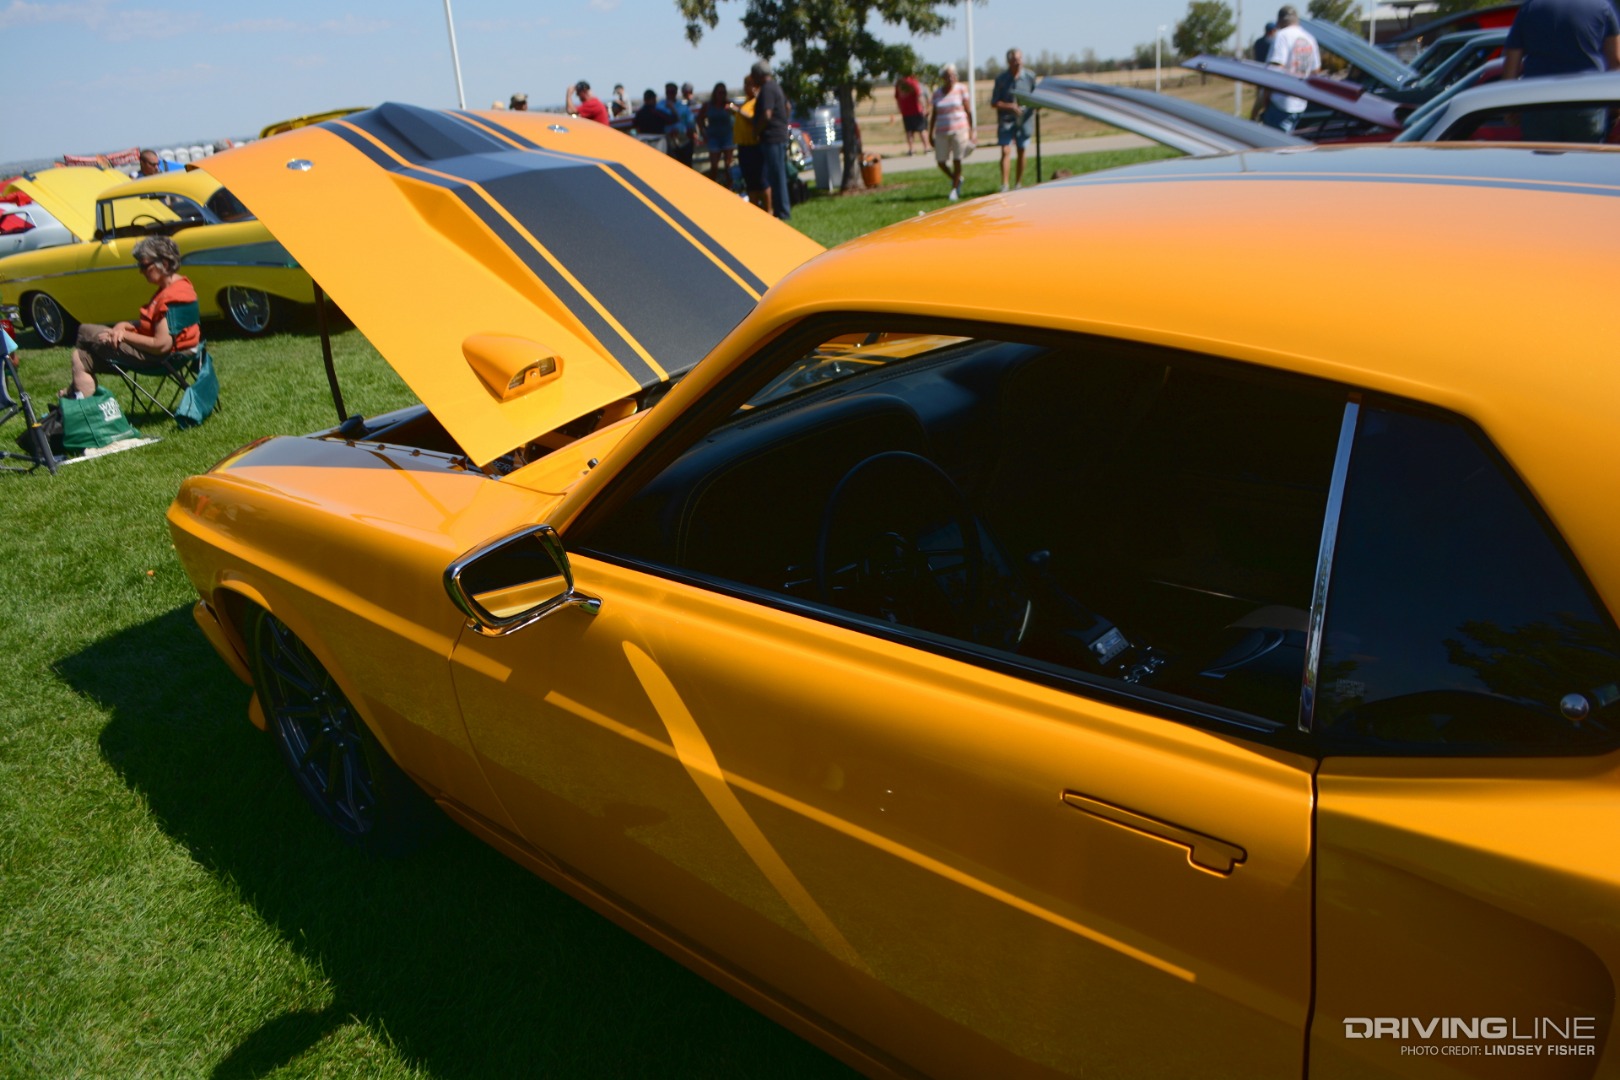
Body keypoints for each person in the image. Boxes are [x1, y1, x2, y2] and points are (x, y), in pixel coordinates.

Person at [61, 236, 198, 399]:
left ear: (165, 264)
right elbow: (155, 325)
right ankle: (76, 394)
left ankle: (75, 396)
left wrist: (124, 335)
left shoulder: (171, 297)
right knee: (80, 356)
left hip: (161, 358)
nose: (140, 271)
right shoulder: (181, 286)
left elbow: (161, 345)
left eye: (144, 265)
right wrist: (124, 326)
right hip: (176, 354)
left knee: (85, 331)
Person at [1502, 0, 1620, 141]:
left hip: (1538, 103)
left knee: (1541, 162)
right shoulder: (1601, 6)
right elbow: (1616, 61)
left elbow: (1511, 64)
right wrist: (1615, 108)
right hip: (1586, 102)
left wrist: (1510, 107)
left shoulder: (1530, 7)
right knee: (1586, 160)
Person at [1261, 5, 1321, 133]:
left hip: (1281, 102)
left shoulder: (1281, 36)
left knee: (1275, 148)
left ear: (1279, 21)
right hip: (1300, 103)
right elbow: (1315, 71)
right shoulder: (1309, 38)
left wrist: (1265, 98)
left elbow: (1275, 70)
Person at [991, 48, 1036, 192]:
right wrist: (1010, 106)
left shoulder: (1030, 77)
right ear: (1009, 62)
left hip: (1024, 121)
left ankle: (1018, 183)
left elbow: (1036, 97)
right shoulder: (1001, 79)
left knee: (1022, 149)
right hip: (1006, 121)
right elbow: (994, 102)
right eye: (1014, 60)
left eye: (1020, 59)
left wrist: (1029, 106)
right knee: (1005, 150)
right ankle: (1005, 184)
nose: (1018, 62)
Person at [753, 60, 792, 219]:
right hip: (779, 135)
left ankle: (782, 212)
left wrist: (757, 130)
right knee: (778, 174)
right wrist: (783, 123)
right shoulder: (776, 86)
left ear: (759, 75)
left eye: (754, 75)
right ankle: (781, 210)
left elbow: (767, 114)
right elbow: (787, 106)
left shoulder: (767, 89)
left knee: (777, 176)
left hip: (772, 138)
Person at [929, 63, 974, 201]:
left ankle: (954, 190)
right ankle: (956, 179)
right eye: (948, 75)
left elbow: (968, 110)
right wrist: (930, 133)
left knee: (957, 160)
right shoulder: (937, 93)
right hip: (942, 131)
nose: (951, 78)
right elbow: (934, 115)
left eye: (953, 75)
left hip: (959, 129)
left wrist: (972, 130)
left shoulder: (961, 89)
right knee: (941, 161)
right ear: (943, 77)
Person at [734, 73, 770, 213]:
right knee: (750, 182)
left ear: (755, 86)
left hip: (755, 145)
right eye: (744, 84)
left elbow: (754, 119)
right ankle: (755, 212)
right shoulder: (745, 102)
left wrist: (738, 111)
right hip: (743, 146)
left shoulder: (757, 102)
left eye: (748, 84)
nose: (745, 87)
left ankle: (769, 210)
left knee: (762, 180)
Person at [702, 82, 737, 182]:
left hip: (727, 136)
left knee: (728, 165)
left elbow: (738, 115)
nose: (722, 95)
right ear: (715, 93)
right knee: (714, 166)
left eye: (723, 92)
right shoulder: (708, 106)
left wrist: (731, 109)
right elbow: (700, 119)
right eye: (720, 92)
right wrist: (704, 132)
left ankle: (730, 187)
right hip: (713, 137)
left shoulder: (728, 104)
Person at [663, 81, 698, 166]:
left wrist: (692, 134)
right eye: (668, 92)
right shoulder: (660, 106)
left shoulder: (683, 106)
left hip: (684, 140)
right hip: (668, 142)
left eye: (672, 92)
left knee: (687, 165)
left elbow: (690, 122)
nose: (670, 94)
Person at [895, 71, 928, 155]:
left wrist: (900, 109)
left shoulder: (899, 84)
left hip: (906, 111)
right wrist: (924, 107)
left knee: (909, 131)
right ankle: (926, 148)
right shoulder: (913, 82)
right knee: (922, 130)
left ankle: (911, 149)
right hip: (916, 110)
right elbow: (919, 95)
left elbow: (897, 97)